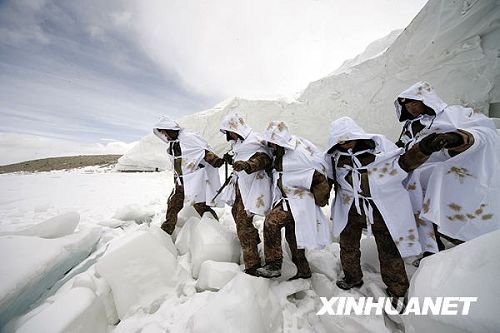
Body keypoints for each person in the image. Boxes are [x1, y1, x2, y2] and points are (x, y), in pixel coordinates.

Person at [394, 81, 500, 260]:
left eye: (414, 102)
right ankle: (431, 249)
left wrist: (454, 139)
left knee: (441, 189)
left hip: (455, 170)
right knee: (416, 202)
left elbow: (485, 131)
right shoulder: (411, 127)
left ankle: (471, 247)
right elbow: (399, 148)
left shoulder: (454, 114)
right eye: (407, 105)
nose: (411, 107)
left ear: (426, 99)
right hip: (419, 177)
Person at [326, 117, 422, 298]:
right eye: (341, 142)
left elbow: (403, 164)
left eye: (349, 139)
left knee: (388, 248)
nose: (345, 145)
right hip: (351, 208)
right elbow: (328, 178)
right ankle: (352, 277)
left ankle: (398, 288)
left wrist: (423, 149)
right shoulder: (334, 157)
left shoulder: (380, 149)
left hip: (380, 208)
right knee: (348, 245)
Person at [257, 121, 331, 280]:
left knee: (271, 222)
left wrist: (321, 196)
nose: (270, 144)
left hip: (299, 201)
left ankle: (273, 265)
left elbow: (317, 172)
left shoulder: (298, 154)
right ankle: (303, 270)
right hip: (285, 200)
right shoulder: (277, 154)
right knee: (294, 237)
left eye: (273, 140)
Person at [218, 113, 273, 276]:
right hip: (240, 186)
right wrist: (233, 158)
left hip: (255, 186)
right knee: (238, 216)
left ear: (236, 129)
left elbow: (264, 159)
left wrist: (248, 165)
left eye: (229, 132)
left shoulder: (255, 141)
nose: (228, 137)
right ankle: (253, 240)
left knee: (242, 224)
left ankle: (252, 265)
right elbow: (241, 156)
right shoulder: (238, 144)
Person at [153, 116, 225, 235]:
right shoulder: (173, 144)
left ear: (169, 130)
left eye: (164, 132)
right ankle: (167, 230)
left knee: (200, 205)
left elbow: (202, 151)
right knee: (173, 203)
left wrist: (215, 161)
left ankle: (215, 228)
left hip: (194, 179)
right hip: (180, 181)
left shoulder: (188, 138)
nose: (164, 135)